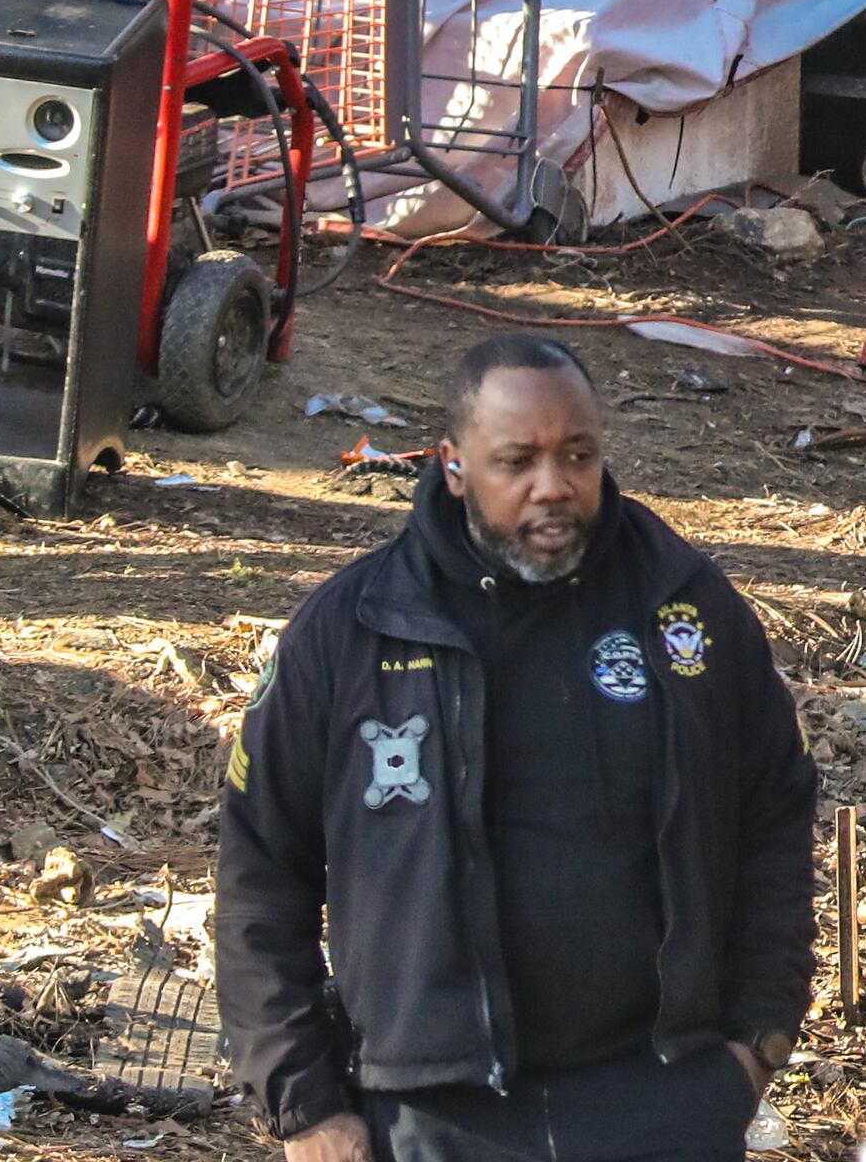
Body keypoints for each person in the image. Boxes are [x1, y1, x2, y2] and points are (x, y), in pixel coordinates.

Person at [218, 333, 820, 1162]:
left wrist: (754, 1043)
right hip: (429, 1108)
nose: (554, 487)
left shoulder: (683, 608)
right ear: (453, 463)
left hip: (660, 1097)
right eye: (517, 461)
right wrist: (307, 1104)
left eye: (578, 455)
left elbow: (776, 815)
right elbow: (260, 873)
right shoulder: (352, 630)